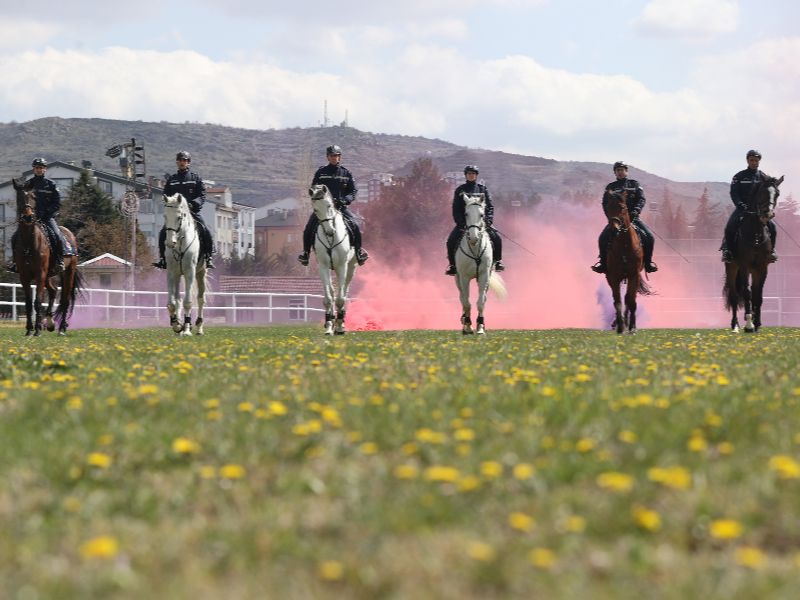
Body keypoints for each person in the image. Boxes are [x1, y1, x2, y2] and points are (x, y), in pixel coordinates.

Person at [298, 145, 368, 266]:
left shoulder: (346, 173)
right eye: (331, 156)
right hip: (323, 209)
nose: (334, 158)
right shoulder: (321, 173)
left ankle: (358, 252)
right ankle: (306, 254)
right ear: (327, 157)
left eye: (336, 155)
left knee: (356, 225)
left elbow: (353, 191)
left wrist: (345, 200)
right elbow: (314, 188)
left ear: (339, 157)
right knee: (308, 228)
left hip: (341, 208)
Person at [591, 161, 657, 274]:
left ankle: (648, 263)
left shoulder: (634, 184)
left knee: (650, 237)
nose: (620, 172)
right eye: (617, 170)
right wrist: (610, 217)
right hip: (616, 221)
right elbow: (605, 203)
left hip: (633, 219)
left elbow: (641, 200)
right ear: (615, 173)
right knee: (602, 238)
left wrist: (636, 211)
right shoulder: (610, 187)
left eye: (622, 170)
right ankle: (602, 263)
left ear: (626, 171)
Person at [153, 151, 215, 269]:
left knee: (205, 229)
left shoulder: (195, 178)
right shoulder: (172, 180)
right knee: (162, 232)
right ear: (177, 162)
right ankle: (162, 259)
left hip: (192, 212)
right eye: (180, 160)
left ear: (188, 163)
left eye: (184, 160)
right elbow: (166, 195)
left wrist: (193, 204)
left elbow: (202, 195)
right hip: (176, 213)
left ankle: (208, 256)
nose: (182, 162)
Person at [7, 158, 67, 273]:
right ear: (33, 169)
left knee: (57, 236)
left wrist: (47, 212)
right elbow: (23, 201)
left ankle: (59, 261)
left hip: (47, 217)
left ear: (45, 169)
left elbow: (57, 203)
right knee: (15, 237)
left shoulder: (51, 184)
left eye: (41, 168)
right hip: (32, 218)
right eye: (37, 168)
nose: (39, 170)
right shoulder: (28, 184)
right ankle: (15, 262)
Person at [444, 165, 505, 276]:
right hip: (464, 224)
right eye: (469, 174)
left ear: (476, 175)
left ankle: (498, 262)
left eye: (473, 173)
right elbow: (456, 208)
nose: (471, 175)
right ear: (465, 175)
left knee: (497, 238)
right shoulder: (460, 190)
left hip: (481, 223)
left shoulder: (483, 189)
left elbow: (490, 207)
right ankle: (453, 266)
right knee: (450, 241)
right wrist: (461, 223)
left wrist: (489, 220)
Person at [720, 149, 777, 263]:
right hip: (742, 209)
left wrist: (767, 209)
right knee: (730, 227)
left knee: (773, 228)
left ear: (759, 161)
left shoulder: (763, 177)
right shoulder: (739, 176)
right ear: (747, 160)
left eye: (756, 160)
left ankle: (772, 252)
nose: (754, 162)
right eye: (751, 160)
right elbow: (734, 193)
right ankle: (728, 251)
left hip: (760, 211)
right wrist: (740, 205)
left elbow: (769, 193)